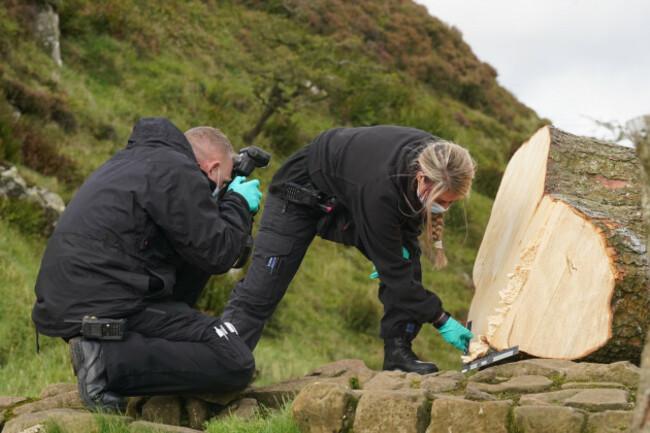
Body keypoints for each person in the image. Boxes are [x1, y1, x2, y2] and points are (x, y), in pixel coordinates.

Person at [31, 117, 264, 412]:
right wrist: (238, 205)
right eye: (226, 183)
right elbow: (219, 253)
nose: (223, 189)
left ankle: (109, 351)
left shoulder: (132, 161)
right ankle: (107, 361)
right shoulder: (180, 171)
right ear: (213, 170)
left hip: (73, 301)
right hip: (107, 302)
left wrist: (223, 205)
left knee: (193, 266)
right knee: (236, 360)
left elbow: (199, 251)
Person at [222, 125, 475, 374]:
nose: (445, 208)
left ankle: (398, 354)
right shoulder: (382, 189)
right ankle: (223, 362)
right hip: (298, 195)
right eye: (441, 201)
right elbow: (395, 274)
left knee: (407, 267)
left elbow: (403, 249)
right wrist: (442, 319)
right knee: (263, 289)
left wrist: (393, 259)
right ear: (421, 178)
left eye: (451, 202)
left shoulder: (442, 159)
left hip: (349, 195)